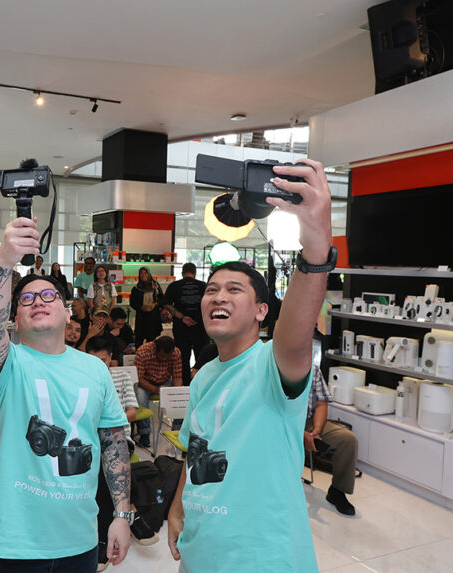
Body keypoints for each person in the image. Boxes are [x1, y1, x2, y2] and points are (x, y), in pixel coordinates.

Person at [167, 158, 332, 572]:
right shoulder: (204, 375)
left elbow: (295, 333)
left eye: (234, 290)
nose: (217, 297)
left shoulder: (273, 364)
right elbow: (196, 449)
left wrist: (315, 247)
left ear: (262, 310)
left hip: (262, 558)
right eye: (211, 290)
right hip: (200, 552)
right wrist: (178, 507)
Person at [0, 217, 131, 571]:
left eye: (48, 296)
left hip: (80, 537)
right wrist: (4, 260)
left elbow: (113, 441)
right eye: (25, 299)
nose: (37, 302)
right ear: (14, 317)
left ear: (67, 311)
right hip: (15, 542)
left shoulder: (95, 369)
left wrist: (121, 514)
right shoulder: (5, 364)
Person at [84, 335, 158, 571]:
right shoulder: (80, 378)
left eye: (103, 360)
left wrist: (106, 423)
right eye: (93, 360)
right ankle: (130, 512)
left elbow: (133, 413)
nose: (98, 365)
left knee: (105, 466)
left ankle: (102, 537)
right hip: (90, 442)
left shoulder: (122, 377)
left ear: (111, 359)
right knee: (100, 465)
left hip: (120, 439)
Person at [306, 366, 359, 516]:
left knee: (347, 440)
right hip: (280, 422)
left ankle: (337, 491)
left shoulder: (314, 371)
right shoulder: (274, 367)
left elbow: (321, 403)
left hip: (308, 421)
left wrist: (316, 430)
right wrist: (300, 433)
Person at [133, 336, 182, 448]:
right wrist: (156, 389)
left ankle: (177, 431)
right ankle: (144, 432)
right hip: (145, 382)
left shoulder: (176, 353)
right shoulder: (143, 351)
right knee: (140, 398)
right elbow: (138, 379)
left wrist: (176, 391)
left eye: (168, 357)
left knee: (181, 396)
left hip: (165, 381)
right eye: (163, 356)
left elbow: (177, 376)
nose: (165, 359)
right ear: (156, 349)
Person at [163, 263, 208, 385]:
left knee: (182, 357)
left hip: (181, 327)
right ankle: (201, 384)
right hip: (200, 326)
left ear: (182, 273)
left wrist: (182, 317)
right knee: (201, 356)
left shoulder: (174, 286)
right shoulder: (203, 286)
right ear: (195, 272)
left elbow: (166, 304)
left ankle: (185, 385)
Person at [129, 267, 164, 347]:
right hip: (141, 317)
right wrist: (141, 307)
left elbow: (162, 298)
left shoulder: (155, 285)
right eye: (141, 273)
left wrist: (155, 304)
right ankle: (139, 354)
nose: (143, 275)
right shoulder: (136, 288)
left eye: (145, 273)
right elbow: (132, 302)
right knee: (139, 339)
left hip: (152, 316)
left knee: (151, 339)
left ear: (149, 274)